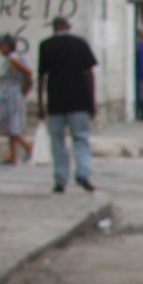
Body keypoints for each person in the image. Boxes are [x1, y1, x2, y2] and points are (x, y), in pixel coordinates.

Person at [35, 16, 97, 194]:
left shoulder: (46, 45)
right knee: (81, 138)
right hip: (79, 101)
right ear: (68, 26)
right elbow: (90, 73)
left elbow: (41, 77)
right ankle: (82, 172)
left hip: (56, 102)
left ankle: (60, 180)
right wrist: (92, 101)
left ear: (54, 27)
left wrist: (41, 104)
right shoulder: (80, 43)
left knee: (57, 141)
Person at [0, 34, 33, 165]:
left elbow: (28, 73)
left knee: (13, 127)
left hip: (12, 96)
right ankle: (13, 156)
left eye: (1, 46)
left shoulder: (13, 59)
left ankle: (29, 147)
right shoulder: (10, 60)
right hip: (9, 96)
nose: (0, 50)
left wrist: (25, 89)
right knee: (10, 126)